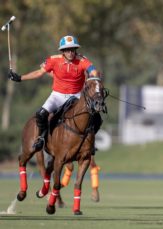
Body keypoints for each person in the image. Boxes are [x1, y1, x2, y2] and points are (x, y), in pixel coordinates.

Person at [8, 35, 102, 200]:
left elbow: (93, 71)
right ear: (62, 51)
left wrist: (94, 79)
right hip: (57, 95)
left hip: (75, 96)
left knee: (95, 117)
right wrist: (20, 78)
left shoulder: (82, 60)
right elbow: (39, 72)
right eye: (67, 50)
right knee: (41, 114)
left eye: (73, 49)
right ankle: (41, 140)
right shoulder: (53, 60)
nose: (70, 52)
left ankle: (90, 141)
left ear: (76, 50)